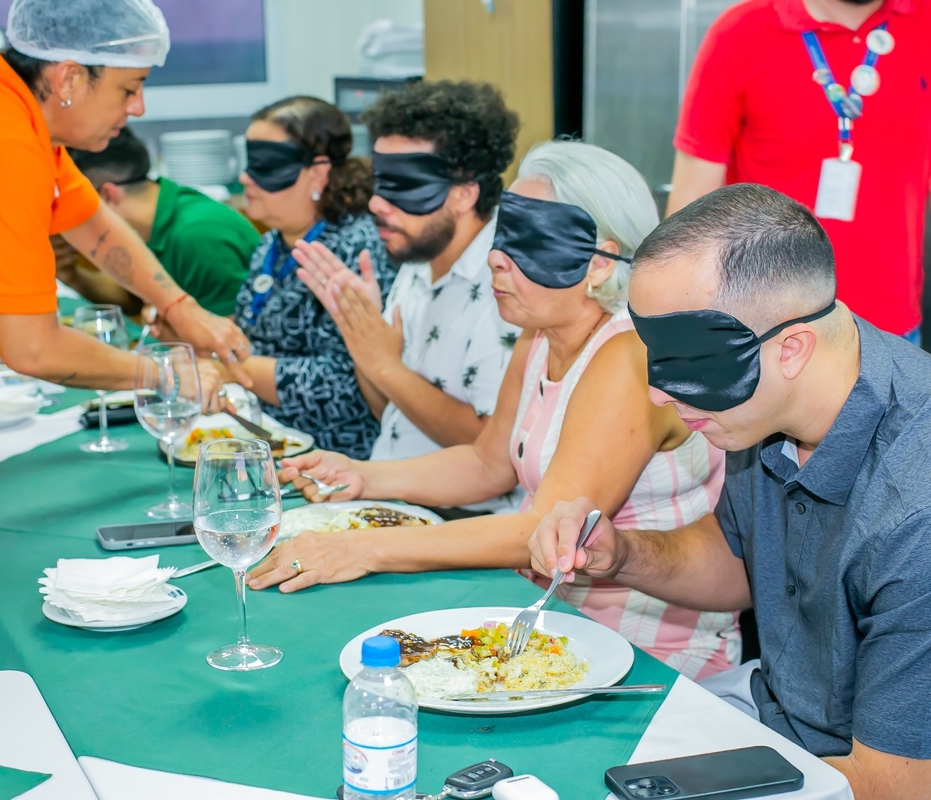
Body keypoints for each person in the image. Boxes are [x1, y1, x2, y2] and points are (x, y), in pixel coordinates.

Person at [530, 184, 931, 799]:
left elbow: (889, 789)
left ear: (792, 348)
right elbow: (741, 561)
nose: (659, 395)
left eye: (688, 366)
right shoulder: (771, 401)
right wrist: (623, 554)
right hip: (785, 718)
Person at [252, 142, 740, 679]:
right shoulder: (538, 335)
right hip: (551, 627)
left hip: (646, 654)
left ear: (599, 263)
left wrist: (364, 549)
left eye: (527, 240)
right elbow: (489, 465)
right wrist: (361, 477)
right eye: (502, 235)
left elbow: (540, 529)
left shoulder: (628, 355)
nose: (494, 257)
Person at [0, 0, 236, 688]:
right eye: (129, 88)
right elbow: (35, 350)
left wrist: (182, 309)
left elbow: (94, 228)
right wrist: (164, 374)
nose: (139, 108)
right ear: (69, 76)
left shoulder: (6, 115)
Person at [665, 0, 931, 379]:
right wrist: (691, 353)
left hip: (892, 346)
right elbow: (690, 214)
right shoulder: (739, 33)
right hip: (764, 343)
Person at [292, 81, 522, 512]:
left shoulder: (507, 286)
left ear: (464, 193)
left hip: (461, 524)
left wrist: (384, 364)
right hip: (389, 500)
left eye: (404, 186)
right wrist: (362, 340)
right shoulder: (417, 263)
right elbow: (392, 414)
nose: (378, 203)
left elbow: (494, 451)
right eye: (382, 182)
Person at [222, 96, 396, 458]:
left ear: (317, 174)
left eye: (265, 164)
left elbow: (346, 383)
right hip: (264, 439)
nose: (245, 177)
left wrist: (229, 368)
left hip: (333, 457)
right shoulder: (272, 242)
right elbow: (253, 328)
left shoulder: (357, 249)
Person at [56, 126, 261, 317]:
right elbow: (131, 297)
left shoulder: (198, 235)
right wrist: (70, 273)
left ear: (108, 195)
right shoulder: (151, 217)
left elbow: (230, 337)